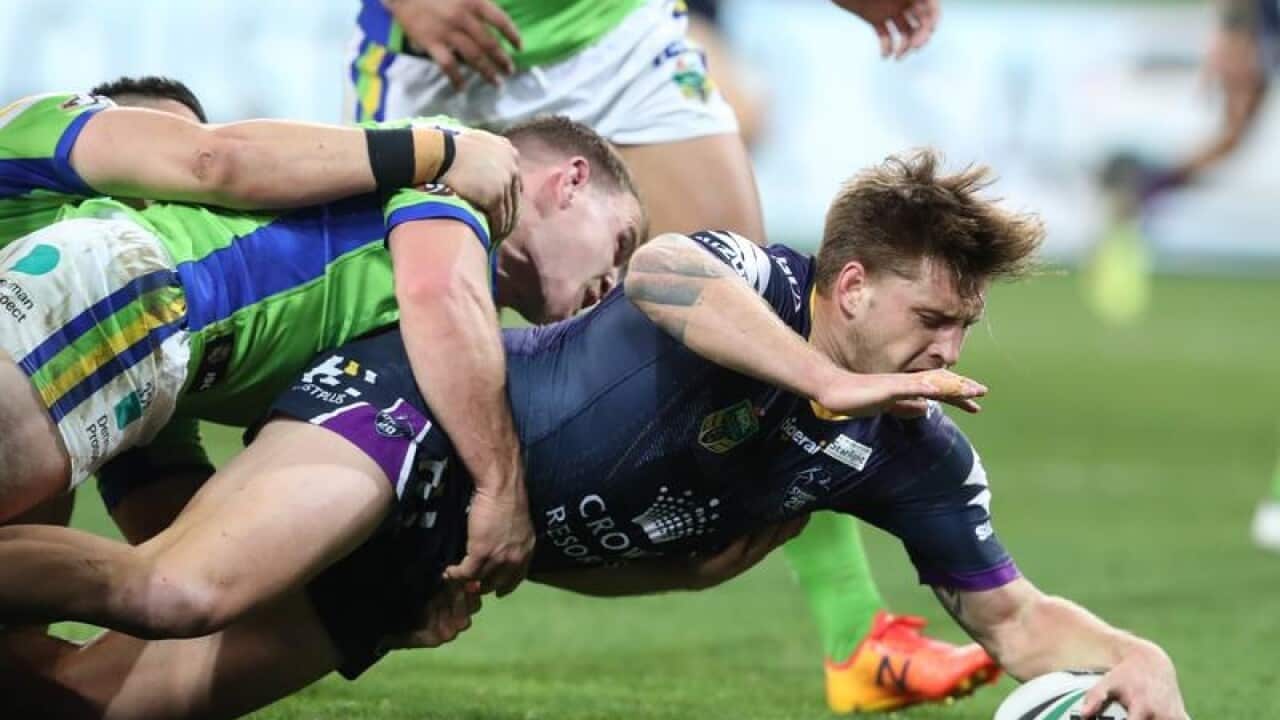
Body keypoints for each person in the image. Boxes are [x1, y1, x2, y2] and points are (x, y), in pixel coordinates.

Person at [0, 150, 1189, 720]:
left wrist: (1136, 661)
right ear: (849, 284)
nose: (946, 353)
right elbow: (666, 272)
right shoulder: (743, 281)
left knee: (91, 707)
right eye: (933, 318)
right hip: (413, 412)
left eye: (963, 328)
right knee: (176, 591)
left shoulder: (910, 450)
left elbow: (1013, 618)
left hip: (445, 554)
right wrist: (829, 387)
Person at [345, 1, 966, 711]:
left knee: (765, 324)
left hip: (616, 32)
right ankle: (354, 575)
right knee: (390, 360)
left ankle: (857, 634)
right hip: (447, 56)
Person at [0, 102, 644, 597]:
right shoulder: (462, 165)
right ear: (571, 181)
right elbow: (437, 293)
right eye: (622, 242)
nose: (615, 284)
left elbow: (171, 522)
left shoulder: (436, 314)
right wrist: (501, 490)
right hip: (133, 294)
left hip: (132, 324)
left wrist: (372, 601)